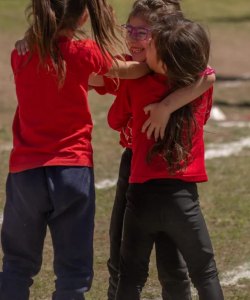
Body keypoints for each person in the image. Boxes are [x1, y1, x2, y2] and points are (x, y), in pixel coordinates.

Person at [0, 0, 149, 300]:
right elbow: (130, 71)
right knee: (73, 273)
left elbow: (39, 44)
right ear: (82, 18)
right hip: (72, 171)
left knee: (17, 266)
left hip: (25, 174)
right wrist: (157, 60)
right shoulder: (86, 52)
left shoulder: (20, 54)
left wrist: (28, 37)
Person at [88, 1, 216, 299]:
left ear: (164, 37)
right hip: (142, 169)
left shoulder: (183, 73)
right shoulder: (134, 67)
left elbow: (207, 75)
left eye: (141, 32)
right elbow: (208, 75)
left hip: (150, 175)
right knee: (123, 249)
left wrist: (163, 104)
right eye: (129, 29)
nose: (132, 37)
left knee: (153, 262)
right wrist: (132, 70)